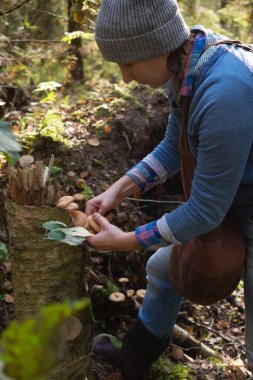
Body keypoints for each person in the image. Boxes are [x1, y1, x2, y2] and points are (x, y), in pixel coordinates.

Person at [85, 0, 253, 378]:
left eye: (127, 63)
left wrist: (127, 239)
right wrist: (119, 190)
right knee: (162, 269)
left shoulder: (226, 91)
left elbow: (206, 211)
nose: (125, 77)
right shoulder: (186, 68)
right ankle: (136, 356)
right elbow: (172, 148)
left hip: (239, 207)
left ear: (155, 46)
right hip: (235, 203)